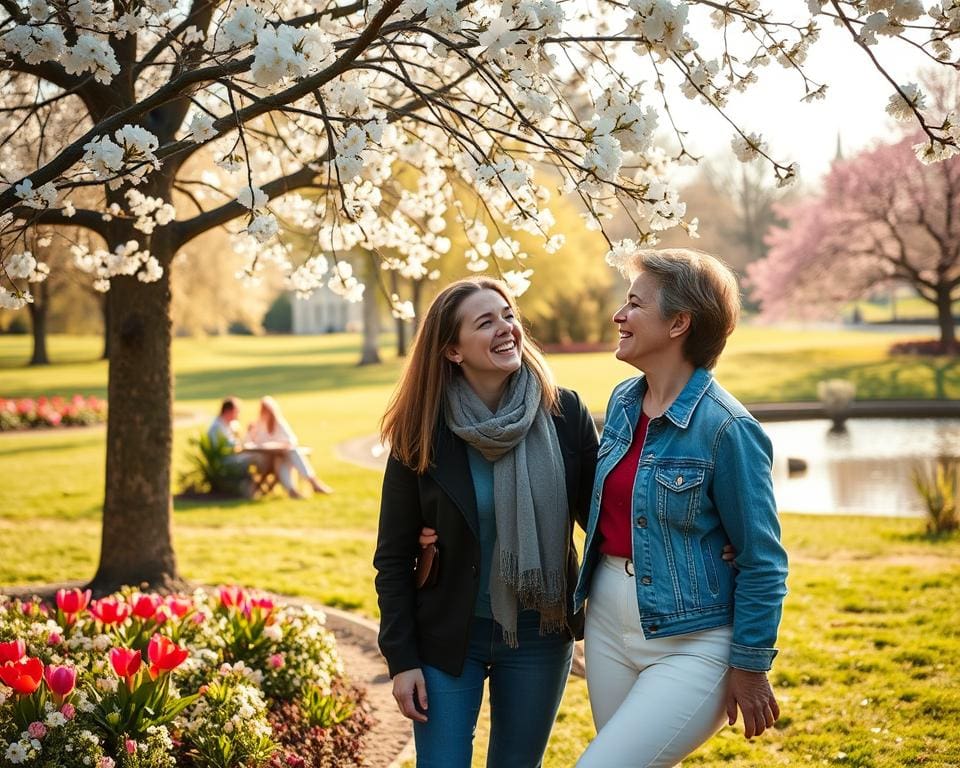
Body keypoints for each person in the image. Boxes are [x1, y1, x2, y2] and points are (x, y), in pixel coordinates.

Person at [572, 247, 789, 767]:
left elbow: (763, 560)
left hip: (695, 641)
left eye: (635, 305)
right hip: (606, 622)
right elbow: (609, 506)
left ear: (679, 323)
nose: (618, 316)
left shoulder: (727, 430)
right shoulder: (625, 402)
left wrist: (751, 665)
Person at [373, 277, 599, 768]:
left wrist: (704, 535)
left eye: (508, 315)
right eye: (486, 322)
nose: (506, 328)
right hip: (448, 637)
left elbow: (606, 519)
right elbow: (392, 556)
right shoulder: (421, 431)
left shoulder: (565, 414)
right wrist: (402, 659)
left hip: (540, 632)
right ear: (452, 351)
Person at [245, 395, 333, 498]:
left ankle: (292, 490)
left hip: (280, 455)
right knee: (289, 454)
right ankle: (311, 482)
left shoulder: (278, 423)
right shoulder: (257, 425)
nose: (266, 413)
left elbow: (291, 440)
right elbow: (248, 443)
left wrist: (279, 445)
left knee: (287, 454)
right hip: (265, 459)